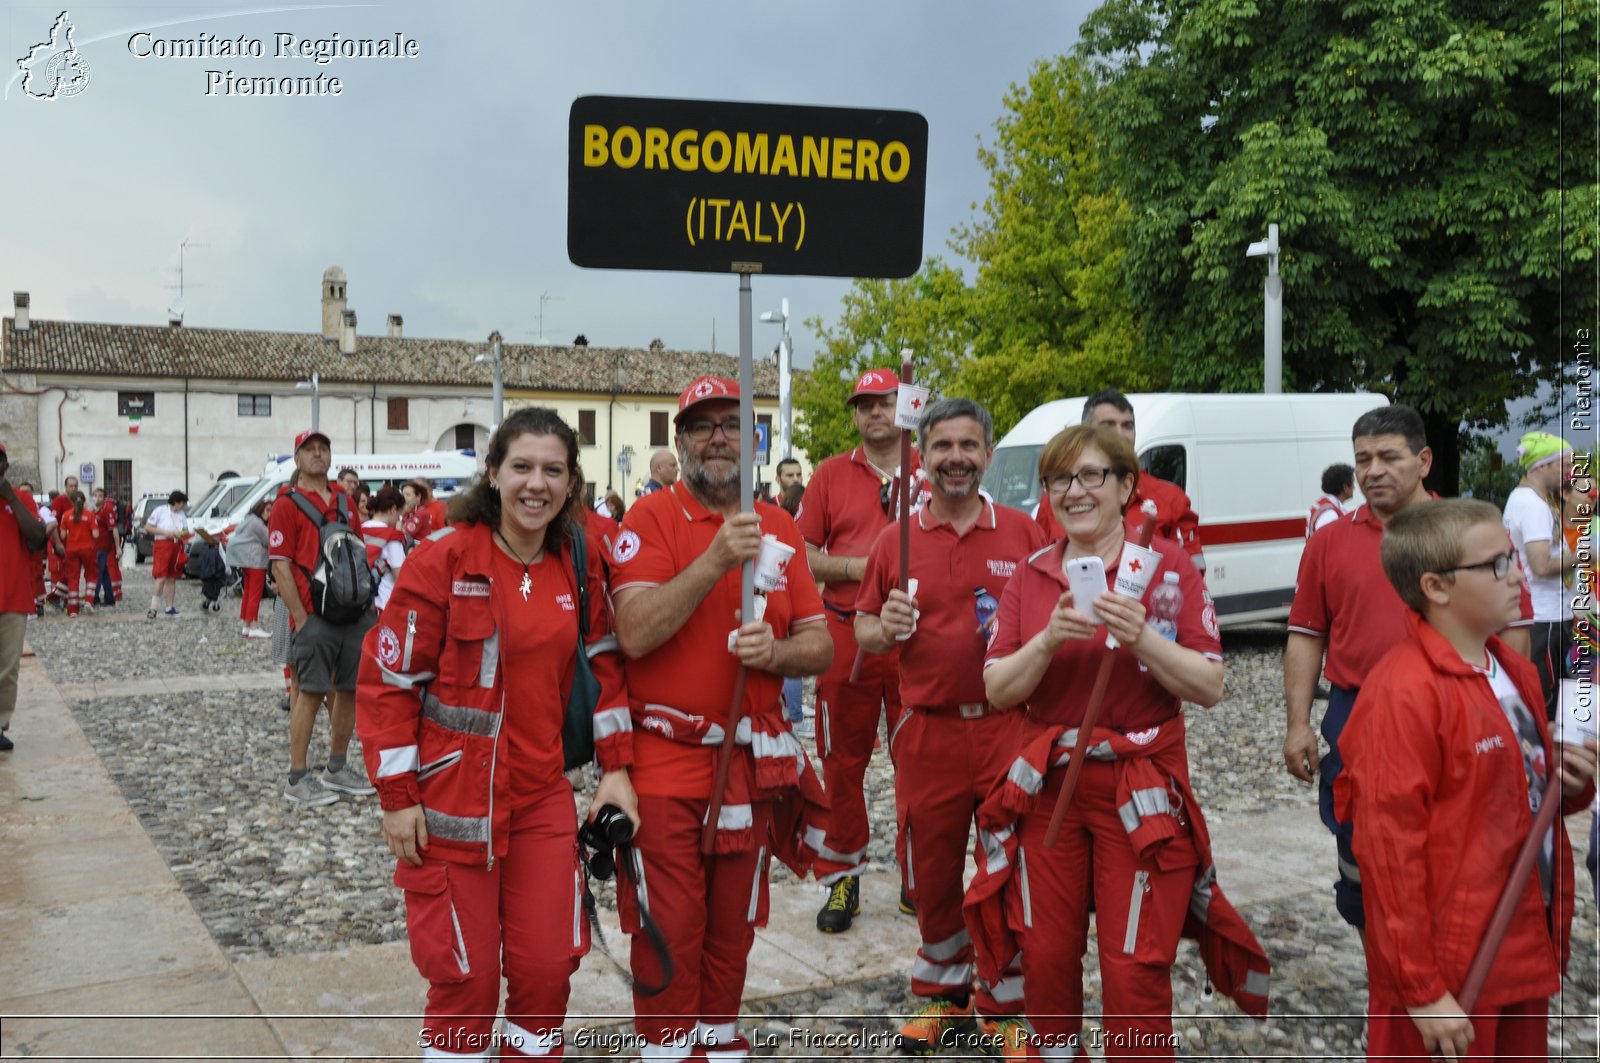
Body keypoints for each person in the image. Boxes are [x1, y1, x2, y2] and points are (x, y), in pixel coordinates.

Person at [974, 422, 1264, 1060]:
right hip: (1050, 790)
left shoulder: (1169, 570)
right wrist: (1048, 640)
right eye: (1058, 479)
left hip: (1140, 793)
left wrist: (1141, 639)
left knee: (1135, 965)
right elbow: (998, 689)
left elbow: (1210, 685)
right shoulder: (1030, 576)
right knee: (1045, 954)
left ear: (1126, 486)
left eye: (1091, 475)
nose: (1074, 491)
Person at [358, 408, 634, 1061]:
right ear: (493, 473)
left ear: (571, 484)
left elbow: (606, 663)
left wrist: (616, 766)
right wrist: (397, 795)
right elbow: (388, 682)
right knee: (465, 979)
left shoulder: (579, 560)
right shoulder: (441, 561)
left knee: (546, 971)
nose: (536, 483)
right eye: (522, 466)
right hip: (452, 804)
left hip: (542, 798)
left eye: (553, 470)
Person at [611, 375, 832, 1063]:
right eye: (702, 426)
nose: (717, 437)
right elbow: (635, 632)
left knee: (733, 929)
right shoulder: (648, 519)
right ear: (679, 442)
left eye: (731, 425)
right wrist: (714, 560)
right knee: (670, 929)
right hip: (667, 764)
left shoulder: (782, 523)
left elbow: (821, 644)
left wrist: (778, 650)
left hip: (751, 766)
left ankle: (717, 1045)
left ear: (754, 441)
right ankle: (669, 1052)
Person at [1334, 498, 1598, 1063]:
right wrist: (1422, 989)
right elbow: (1386, 852)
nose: (1518, 575)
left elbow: (1517, 800)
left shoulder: (1515, 671)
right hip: (1452, 973)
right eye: (1498, 564)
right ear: (1436, 586)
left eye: (1513, 558)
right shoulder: (1402, 693)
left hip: (1521, 945)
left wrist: (1571, 783)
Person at [852, 398, 1046, 1054]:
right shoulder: (894, 539)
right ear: (923, 455)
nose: (956, 458)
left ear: (988, 454)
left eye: (968, 445)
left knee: (1005, 868)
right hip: (927, 730)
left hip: (1005, 727)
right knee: (930, 871)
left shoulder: (1022, 533)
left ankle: (1006, 1004)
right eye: (942, 446)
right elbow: (862, 624)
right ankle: (943, 998)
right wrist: (886, 626)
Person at [794, 367, 921, 932]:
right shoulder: (828, 475)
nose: (875, 412)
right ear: (854, 414)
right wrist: (859, 569)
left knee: (922, 763)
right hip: (845, 634)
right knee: (842, 765)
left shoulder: (929, 468)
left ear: (904, 406)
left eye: (885, 402)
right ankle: (842, 877)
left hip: (914, 639)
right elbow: (800, 551)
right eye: (864, 404)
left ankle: (921, 878)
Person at [269, 429, 377, 806]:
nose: (317, 454)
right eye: (309, 450)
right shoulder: (286, 504)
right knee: (311, 693)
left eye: (323, 449)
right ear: (297, 459)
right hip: (314, 615)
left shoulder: (345, 501)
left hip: (352, 610)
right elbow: (280, 567)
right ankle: (297, 777)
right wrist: (300, 618)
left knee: (348, 690)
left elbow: (358, 551)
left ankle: (336, 767)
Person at [1035, 391, 1205, 573]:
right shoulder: (1056, 503)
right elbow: (1039, 571)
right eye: (1108, 425)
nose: (1120, 434)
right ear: (1086, 432)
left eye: (1127, 426)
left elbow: (1190, 578)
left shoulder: (1170, 499)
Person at [1504, 431, 1577, 718]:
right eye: (1565, 465)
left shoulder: (1528, 499)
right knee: (1548, 704)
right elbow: (1541, 565)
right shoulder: (1533, 505)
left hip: (1547, 616)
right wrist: (1586, 556)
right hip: (1546, 618)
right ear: (1542, 465)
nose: (1571, 472)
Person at [1, 442, 49, 752]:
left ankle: (1, 723)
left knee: (7, 667)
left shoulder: (20, 499)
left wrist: (8, 495)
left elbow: (36, 535)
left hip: (13, 595)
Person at [778, 481, 812, 738]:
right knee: (792, 661)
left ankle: (794, 712)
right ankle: (796, 717)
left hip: (782, 595)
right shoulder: (795, 526)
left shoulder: (782, 521)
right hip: (788, 595)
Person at [52, 491, 103, 617]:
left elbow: (63, 535)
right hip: (88, 549)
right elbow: (96, 534)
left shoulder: (66, 515)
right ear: (84, 501)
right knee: (91, 575)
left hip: (71, 549)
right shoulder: (90, 515)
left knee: (73, 578)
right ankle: (89, 602)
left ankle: (73, 609)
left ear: (71, 501)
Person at [360, 486, 408, 611]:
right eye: (399, 515)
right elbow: (401, 578)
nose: (398, 519)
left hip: (363, 603)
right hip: (385, 605)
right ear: (393, 510)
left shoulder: (360, 529)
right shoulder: (392, 537)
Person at [231, 498, 273, 639]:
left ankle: (246, 627)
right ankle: (254, 627)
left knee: (248, 594)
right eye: (267, 510)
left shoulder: (248, 520)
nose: (270, 513)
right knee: (255, 595)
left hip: (246, 562)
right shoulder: (257, 523)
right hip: (256, 562)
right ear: (260, 509)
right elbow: (268, 540)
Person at [144, 490, 190, 618]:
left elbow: (186, 530)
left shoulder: (181, 514)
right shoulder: (160, 511)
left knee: (172, 577)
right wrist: (165, 532)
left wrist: (182, 533)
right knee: (161, 576)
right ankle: (153, 608)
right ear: (176, 503)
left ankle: (170, 607)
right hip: (163, 544)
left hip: (176, 544)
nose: (183, 507)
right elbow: (148, 527)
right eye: (182, 504)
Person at [90, 486, 123, 606]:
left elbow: (114, 529)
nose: (96, 498)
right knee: (104, 573)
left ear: (104, 498)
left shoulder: (106, 510)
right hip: (96, 546)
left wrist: (118, 548)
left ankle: (94, 598)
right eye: (94, 495)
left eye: (99, 496)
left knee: (97, 572)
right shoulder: (95, 510)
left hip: (103, 546)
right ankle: (109, 598)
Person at [1307, 463, 1355, 539]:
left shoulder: (1322, 504)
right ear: (1345, 487)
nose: (1354, 488)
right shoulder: (1330, 515)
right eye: (1352, 483)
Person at [400, 480, 434, 545]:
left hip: (419, 550)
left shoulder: (421, 513)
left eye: (408, 495)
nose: (404, 498)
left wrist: (401, 515)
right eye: (403, 494)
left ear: (418, 496)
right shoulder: (409, 511)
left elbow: (403, 534)